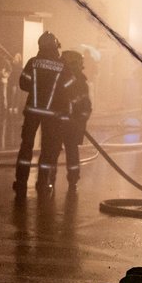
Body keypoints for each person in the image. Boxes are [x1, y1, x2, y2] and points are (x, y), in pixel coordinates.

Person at [14, 32, 73, 197]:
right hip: (52, 115)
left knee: (26, 148)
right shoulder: (62, 66)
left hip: (32, 111)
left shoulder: (32, 63)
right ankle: (43, 183)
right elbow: (70, 88)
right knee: (48, 150)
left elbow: (23, 83)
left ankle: (20, 183)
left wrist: (37, 89)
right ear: (55, 47)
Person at [38, 49, 92, 191]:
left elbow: (84, 105)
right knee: (66, 152)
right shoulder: (78, 81)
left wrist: (80, 120)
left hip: (61, 123)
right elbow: (85, 105)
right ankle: (69, 180)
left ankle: (49, 179)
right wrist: (81, 121)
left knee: (54, 152)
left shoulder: (59, 77)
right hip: (64, 123)